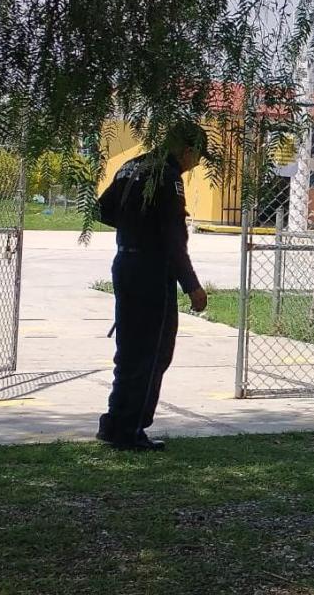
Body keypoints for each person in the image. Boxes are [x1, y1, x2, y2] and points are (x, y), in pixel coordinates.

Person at [95, 120, 209, 451]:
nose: (196, 165)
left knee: (129, 349)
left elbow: (104, 209)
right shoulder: (167, 176)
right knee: (153, 353)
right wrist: (192, 286)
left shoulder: (132, 165)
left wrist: (135, 226)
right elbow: (174, 240)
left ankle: (115, 422)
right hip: (151, 271)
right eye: (197, 157)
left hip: (125, 263)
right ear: (186, 151)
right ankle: (131, 429)